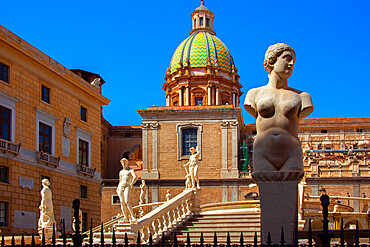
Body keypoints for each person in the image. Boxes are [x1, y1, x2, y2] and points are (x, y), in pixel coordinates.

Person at [244, 43, 313, 174]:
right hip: (262, 154)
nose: (291, 63)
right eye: (286, 58)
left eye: (293, 60)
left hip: (291, 153)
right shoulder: (253, 94)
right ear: (271, 61)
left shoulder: (302, 97)